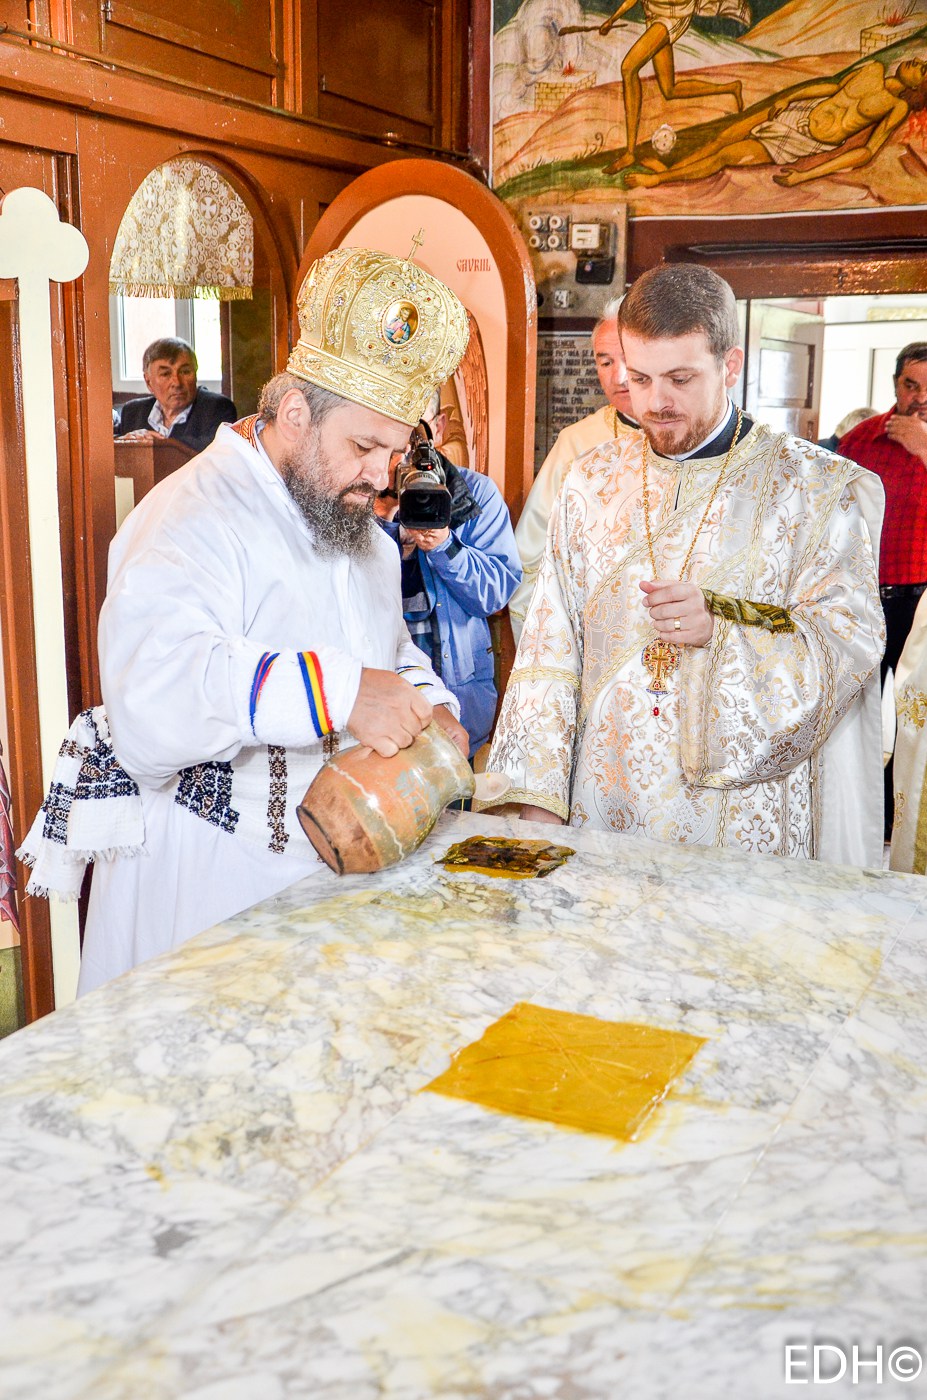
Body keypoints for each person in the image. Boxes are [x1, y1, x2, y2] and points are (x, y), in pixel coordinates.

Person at [73, 248, 471, 992]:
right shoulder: (190, 515)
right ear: (295, 414)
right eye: (363, 446)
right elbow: (153, 697)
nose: (381, 475)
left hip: (343, 866)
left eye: (396, 450)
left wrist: (433, 706)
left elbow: (386, 651)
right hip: (211, 880)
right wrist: (340, 690)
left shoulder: (353, 524)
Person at [486, 264, 885, 867]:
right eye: (638, 377)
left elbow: (850, 645)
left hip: (743, 809)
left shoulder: (818, 490)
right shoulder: (590, 482)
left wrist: (719, 630)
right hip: (606, 796)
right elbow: (550, 646)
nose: (656, 401)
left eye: (680, 378)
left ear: (731, 364)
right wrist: (539, 797)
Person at [375, 390, 522, 757]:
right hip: (377, 702)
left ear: (438, 427)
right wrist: (393, 539)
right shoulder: (356, 493)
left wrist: (442, 546)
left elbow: (494, 595)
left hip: (459, 700)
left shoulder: (475, 495)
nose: (405, 451)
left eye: (414, 431)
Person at [509, 303, 639, 641]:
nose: (619, 377)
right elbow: (531, 555)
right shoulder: (577, 443)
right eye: (605, 362)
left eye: (627, 359)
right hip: (598, 636)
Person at [625, 59, 926, 190]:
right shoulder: (872, 69)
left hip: (805, 140)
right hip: (800, 112)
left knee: (726, 156)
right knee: (722, 136)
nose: (916, 62)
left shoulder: (897, 107)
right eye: (920, 60)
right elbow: (831, 87)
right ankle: (670, 172)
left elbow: (866, 152)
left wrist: (805, 175)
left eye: (923, 70)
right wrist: (790, 97)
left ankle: (658, 180)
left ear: (919, 89)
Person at [598, 0, 746, 174]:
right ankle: (731, 87)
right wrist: (612, 19)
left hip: (672, 17)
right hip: (654, 17)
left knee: (628, 68)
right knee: (669, 90)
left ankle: (630, 153)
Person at [115, 336, 237, 454]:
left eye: (185, 372)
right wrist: (124, 442)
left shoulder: (217, 407)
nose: (177, 383)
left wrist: (158, 445)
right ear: (148, 382)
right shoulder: (133, 412)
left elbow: (212, 450)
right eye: (166, 374)